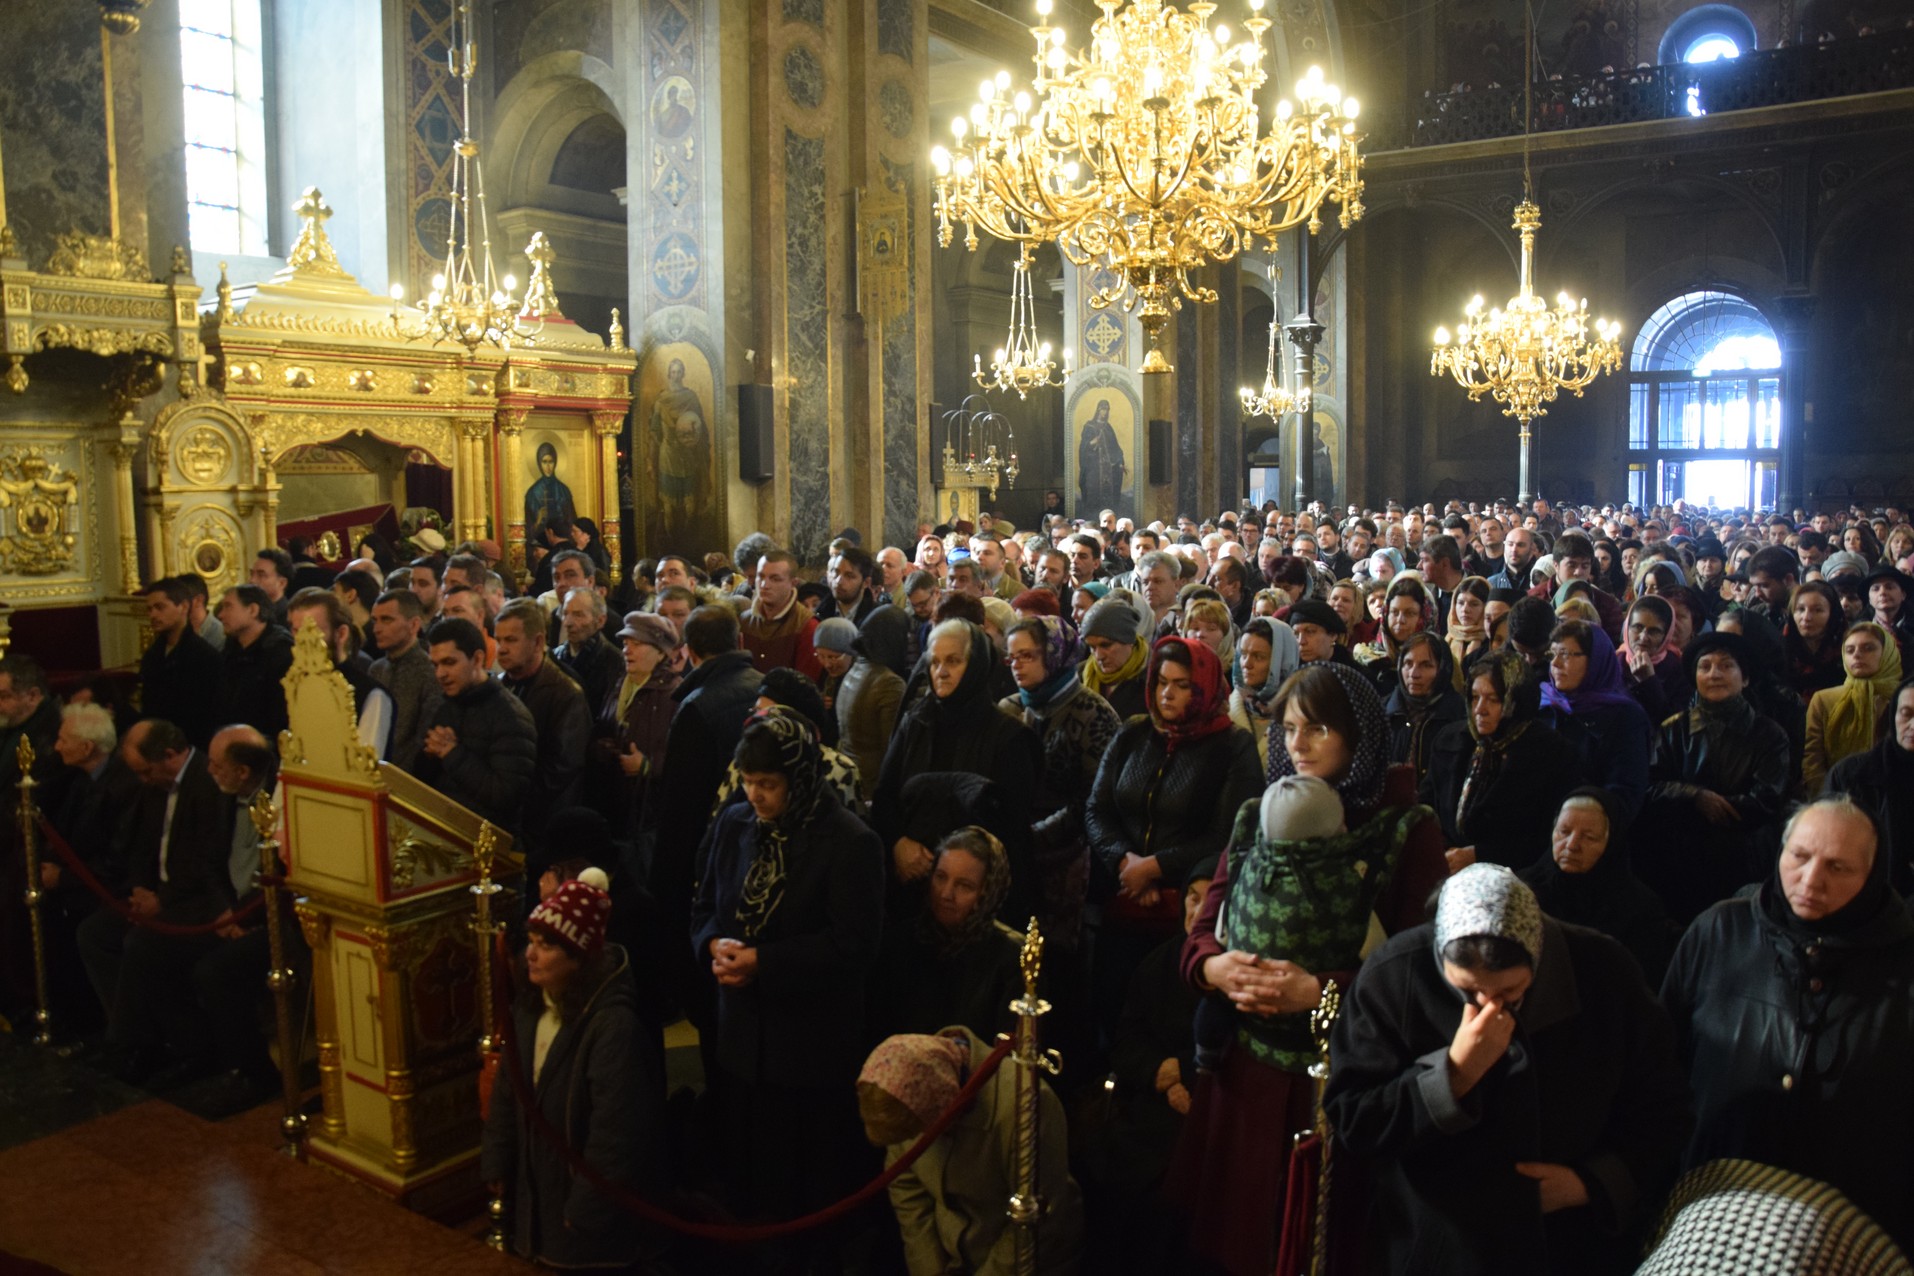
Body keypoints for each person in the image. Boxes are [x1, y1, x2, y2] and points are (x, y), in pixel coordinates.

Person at [1323, 864, 1691, 1275]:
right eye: (1467, 990)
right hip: (1435, 1247)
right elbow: (1354, 1118)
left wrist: (1592, 1184)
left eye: (1510, 992)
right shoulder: (1393, 975)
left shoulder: (1604, 970)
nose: (1489, 1006)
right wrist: (1453, 1076)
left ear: (1537, 954)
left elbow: (1664, 1106)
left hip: (1570, 1246)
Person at [1660, 797, 1914, 1252]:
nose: (1811, 881)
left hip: (1849, 1232)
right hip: (1711, 1214)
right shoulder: (1717, 932)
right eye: (1799, 857)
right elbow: (1660, 1070)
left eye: (1838, 868)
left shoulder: (1904, 963)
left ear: (1873, 874)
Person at [690, 709, 885, 1221]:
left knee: (801, 1187)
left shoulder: (849, 842)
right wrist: (713, 947)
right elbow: (705, 907)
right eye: (749, 781)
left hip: (806, 1046)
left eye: (768, 784)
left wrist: (764, 962)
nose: (755, 795)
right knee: (745, 1176)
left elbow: (854, 946)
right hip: (740, 1036)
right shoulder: (736, 825)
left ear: (798, 779)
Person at [482, 870, 669, 1270]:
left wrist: (584, 1212)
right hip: (536, 1212)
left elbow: (615, 1138)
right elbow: (507, 1089)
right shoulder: (530, 1008)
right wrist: (498, 1160)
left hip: (584, 1233)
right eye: (531, 942)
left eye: (546, 946)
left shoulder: (613, 1029)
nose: (529, 954)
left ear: (578, 958)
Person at [1087, 637, 1263, 1044]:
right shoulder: (1133, 733)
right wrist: (1125, 865)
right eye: (1162, 681)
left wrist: (1156, 868)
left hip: (1188, 915)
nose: (1167, 693)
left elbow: (1229, 834)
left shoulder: (1232, 747)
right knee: (1113, 1016)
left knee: (1167, 1028)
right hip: (1123, 900)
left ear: (1202, 687)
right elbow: (1097, 810)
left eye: (1182, 684)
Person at [74, 719, 231, 1083]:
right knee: (95, 933)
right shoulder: (154, 786)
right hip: (158, 894)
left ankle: (149, 1046)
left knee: (144, 945)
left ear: (170, 756)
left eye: (145, 771)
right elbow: (141, 845)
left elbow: (208, 860)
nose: (142, 780)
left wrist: (162, 900)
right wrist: (140, 888)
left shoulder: (207, 784)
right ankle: (141, 1038)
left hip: (197, 902)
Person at [859, 1027, 1083, 1276]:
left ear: (942, 1112)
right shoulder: (905, 1088)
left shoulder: (1025, 1106)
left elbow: (1039, 1222)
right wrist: (929, 1269)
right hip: (956, 1259)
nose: (912, 1141)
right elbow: (906, 1187)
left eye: (917, 1134)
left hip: (1031, 1261)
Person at [874, 619, 1040, 908]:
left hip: (976, 893)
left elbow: (1012, 833)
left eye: (953, 661)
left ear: (975, 665)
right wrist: (899, 843)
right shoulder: (916, 721)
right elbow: (885, 795)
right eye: (935, 662)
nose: (942, 671)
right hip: (911, 885)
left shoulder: (1008, 737)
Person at [1638, 631, 1791, 924]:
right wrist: (1694, 797)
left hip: (1745, 856)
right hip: (1681, 857)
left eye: (1726, 666)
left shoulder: (1769, 734)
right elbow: (1651, 786)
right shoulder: (1674, 730)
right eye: (1704, 666)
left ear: (1744, 678)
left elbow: (1768, 800)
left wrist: (1717, 807)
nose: (1714, 674)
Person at [1000, 616, 1119, 951]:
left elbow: (1094, 798)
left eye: (1028, 656)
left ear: (1054, 655)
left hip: (1065, 856)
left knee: (1055, 954)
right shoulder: (1010, 709)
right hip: (1011, 848)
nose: (1017, 666)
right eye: (1012, 657)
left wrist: (1035, 837)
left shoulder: (1093, 712)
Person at [1422, 650, 1583, 873]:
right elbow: (1427, 806)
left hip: (1514, 878)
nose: (1480, 710)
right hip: (1445, 869)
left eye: (1494, 700)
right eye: (1475, 697)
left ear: (1516, 702)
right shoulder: (1450, 740)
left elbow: (1547, 836)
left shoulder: (1551, 754)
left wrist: (1478, 855)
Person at [868, 826, 1023, 1044]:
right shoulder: (902, 942)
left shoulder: (1011, 958)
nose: (946, 894)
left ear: (988, 892)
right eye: (940, 877)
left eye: (964, 885)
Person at [1519, 787, 1673, 987]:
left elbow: (1639, 988)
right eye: (1564, 832)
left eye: (1589, 837)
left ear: (1611, 843)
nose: (1572, 845)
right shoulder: (1522, 889)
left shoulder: (1640, 909)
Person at [414, 618, 538, 831]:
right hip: (440, 827)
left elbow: (506, 797)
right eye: (435, 665)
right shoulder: (444, 704)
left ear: (478, 659)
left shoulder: (510, 715)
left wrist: (452, 753)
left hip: (484, 841)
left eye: (449, 663)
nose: (440, 674)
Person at [494, 599, 590, 865]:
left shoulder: (565, 694)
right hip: (509, 820)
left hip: (546, 825)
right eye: (498, 639)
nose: (501, 649)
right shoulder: (501, 685)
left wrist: (514, 800)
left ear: (537, 642)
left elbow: (561, 767)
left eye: (510, 640)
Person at [1547, 619, 1653, 831]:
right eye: (1552, 655)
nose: (1556, 663)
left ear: (1596, 661)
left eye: (1566, 654)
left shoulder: (1625, 717)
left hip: (1588, 836)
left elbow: (1624, 796)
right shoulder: (1545, 705)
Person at [590, 610, 681, 837]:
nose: (626, 650)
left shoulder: (675, 694)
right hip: (615, 802)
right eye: (625, 643)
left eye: (637, 644)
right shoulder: (620, 683)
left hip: (648, 814)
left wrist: (647, 767)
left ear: (661, 653)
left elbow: (682, 759)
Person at [1826, 676, 1914, 895]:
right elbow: (1826, 841)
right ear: (1893, 715)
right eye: (1907, 714)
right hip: (1864, 894)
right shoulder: (1853, 774)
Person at [1803, 620, 1902, 795]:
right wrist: (1828, 800)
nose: (1857, 655)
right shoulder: (1824, 700)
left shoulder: (1904, 698)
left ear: (1887, 653)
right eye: (1850, 650)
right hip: (1837, 798)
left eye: (1868, 648)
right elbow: (1813, 761)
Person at [137, 577, 222, 748]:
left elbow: (207, 715)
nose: (153, 615)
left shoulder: (204, 656)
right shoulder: (153, 655)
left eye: (160, 607)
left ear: (183, 606)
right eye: (150, 609)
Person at [369, 588, 442, 773]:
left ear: (414, 625)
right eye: (374, 620)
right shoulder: (376, 669)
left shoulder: (430, 672)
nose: (377, 628)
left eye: (387, 620)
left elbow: (422, 739)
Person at [213, 584, 294, 739]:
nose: (221, 615)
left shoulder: (279, 652)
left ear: (253, 610)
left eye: (228, 607)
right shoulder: (230, 650)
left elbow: (280, 715)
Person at [1385, 631, 1464, 785]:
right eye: (1408, 664)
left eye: (1426, 665)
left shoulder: (1458, 716)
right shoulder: (1384, 711)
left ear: (1442, 670)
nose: (1414, 674)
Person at [1227, 618, 1287, 772]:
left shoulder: (1298, 713)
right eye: (1243, 654)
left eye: (1259, 657)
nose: (1246, 664)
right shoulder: (1226, 710)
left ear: (1281, 660)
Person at [1078, 597, 1150, 720]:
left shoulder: (1152, 680)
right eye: (1092, 647)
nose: (1098, 656)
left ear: (1129, 640)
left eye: (1106, 645)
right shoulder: (1079, 676)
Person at [1781, 580, 1847, 704]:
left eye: (1818, 610)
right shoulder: (1780, 651)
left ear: (1832, 614)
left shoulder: (1847, 651)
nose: (1806, 617)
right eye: (1800, 609)